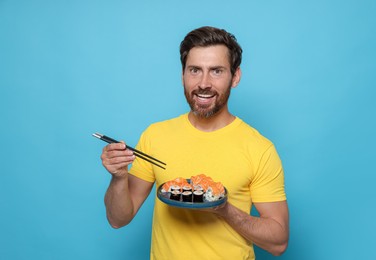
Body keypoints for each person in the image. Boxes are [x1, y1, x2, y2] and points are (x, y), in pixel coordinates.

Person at [100, 26, 289, 259]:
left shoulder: (259, 148)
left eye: (216, 71)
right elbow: (118, 219)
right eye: (195, 70)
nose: (204, 83)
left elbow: (278, 243)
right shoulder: (155, 135)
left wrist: (225, 210)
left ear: (235, 77)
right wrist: (118, 177)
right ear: (182, 75)